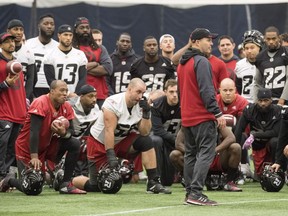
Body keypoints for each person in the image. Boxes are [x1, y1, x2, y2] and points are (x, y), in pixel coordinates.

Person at [72, 78, 171, 194]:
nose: (140, 96)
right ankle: (71, 180)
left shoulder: (141, 104)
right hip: (100, 144)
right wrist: (111, 156)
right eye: (138, 92)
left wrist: (146, 113)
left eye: (143, 93)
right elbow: (109, 131)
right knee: (97, 185)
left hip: (122, 141)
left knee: (146, 141)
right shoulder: (113, 102)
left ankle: (153, 182)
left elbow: (144, 132)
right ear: (129, 89)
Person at [0, 80, 86, 195]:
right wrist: (34, 156)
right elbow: (34, 131)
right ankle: (9, 180)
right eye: (61, 90)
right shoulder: (40, 103)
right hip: (28, 148)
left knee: (74, 143)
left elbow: (71, 132)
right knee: (32, 187)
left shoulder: (66, 106)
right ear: (52, 91)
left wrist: (63, 133)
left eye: (66, 90)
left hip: (48, 146)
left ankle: (65, 184)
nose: (65, 93)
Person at [177, 28, 226, 206]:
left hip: (187, 117)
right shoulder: (201, 62)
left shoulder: (183, 63)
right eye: (208, 40)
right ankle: (196, 193)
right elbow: (207, 91)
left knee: (190, 155)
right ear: (196, 42)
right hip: (202, 116)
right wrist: (217, 112)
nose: (211, 43)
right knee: (206, 153)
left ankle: (190, 193)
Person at [170, 124, 242, 192]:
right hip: (196, 157)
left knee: (235, 147)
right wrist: (192, 153)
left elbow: (231, 137)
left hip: (215, 156)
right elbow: (178, 143)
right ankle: (191, 180)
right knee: (175, 155)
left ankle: (229, 181)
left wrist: (215, 150)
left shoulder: (215, 120)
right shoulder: (189, 121)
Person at [234, 88, 282, 179]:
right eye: (260, 101)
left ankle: (279, 170)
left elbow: (276, 132)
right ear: (257, 100)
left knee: (275, 141)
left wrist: (255, 134)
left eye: (266, 100)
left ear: (271, 100)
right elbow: (239, 129)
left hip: (273, 146)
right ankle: (238, 168)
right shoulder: (250, 110)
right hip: (258, 146)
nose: (263, 103)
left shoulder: (277, 110)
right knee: (259, 177)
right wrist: (234, 148)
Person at [0, 32, 27, 181]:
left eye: (12, 40)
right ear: (1, 45)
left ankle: (6, 178)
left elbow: (20, 89)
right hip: (3, 112)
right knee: (2, 144)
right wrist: (5, 84)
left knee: (13, 147)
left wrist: (24, 109)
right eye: (7, 41)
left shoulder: (17, 63)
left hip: (18, 111)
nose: (11, 43)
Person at [216, 78, 252, 183]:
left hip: (237, 136)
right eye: (225, 90)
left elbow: (242, 127)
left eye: (230, 90)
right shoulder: (214, 101)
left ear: (235, 90)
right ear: (220, 90)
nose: (228, 93)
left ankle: (240, 167)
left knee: (242, 135)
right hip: (217, 136)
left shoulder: (242, 102)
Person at [73, 17, 113, 108]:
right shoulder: (72, 48)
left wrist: (82, 68)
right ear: (75, 30)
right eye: (82, 28)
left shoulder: (99, 48)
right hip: (78, 95)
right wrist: (95, 63)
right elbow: (73, 68)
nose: (85, 30)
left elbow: (108, 69)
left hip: (99, 95)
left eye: (87, 27)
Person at [150, 79, 181, 186]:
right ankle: (155, 177)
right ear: (165, 92)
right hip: (164, 139)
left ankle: (188, 175)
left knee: (168, 181)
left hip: (180, 139)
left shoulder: (185, 103)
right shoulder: (157, 105)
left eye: (177, 92)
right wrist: (176, 140)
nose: (175, 95)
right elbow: (157, 130)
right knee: (155, 140)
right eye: (171, 92)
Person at [44, 24, 87, 98]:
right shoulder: (49, 55)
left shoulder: (80, 54)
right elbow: (51, 80)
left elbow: (82, 78)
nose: (68, 38)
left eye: (70, 35)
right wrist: (67, 94)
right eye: (65, 35)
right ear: (59, 35)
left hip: (75, 95)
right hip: (57, 96)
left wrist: (75, 94)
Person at [69, 84, 100, 177]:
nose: (94, 99)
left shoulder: (95, 107)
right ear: (81, 97)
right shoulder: (69, 106)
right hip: (63, 138)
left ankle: (85, 172)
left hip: (79, 139)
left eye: (95, 96)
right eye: (90, 96)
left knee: (90, 143)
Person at [26, 13, 58, 98]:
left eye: (52, 24)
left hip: (52, 87)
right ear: (39, 26)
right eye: (46, 23)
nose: (49, 26)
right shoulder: (28, 44)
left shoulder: (58, 46)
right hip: (32, 87)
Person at [254, 26, 288, 106]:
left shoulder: (286, 53)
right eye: (268, 39)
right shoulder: (260, 57)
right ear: (264, 39)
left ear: (279, 38)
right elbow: (257, 82)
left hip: (284, 100)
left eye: (274, 38)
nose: (271, 41)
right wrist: (256, 101)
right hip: (267, 101)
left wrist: (283, 99)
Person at [7, 19, 35, 101]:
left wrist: (25, 96)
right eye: (15, 29)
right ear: (8, 31)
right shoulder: (2, 51)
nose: (19, 32)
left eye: (21, 29)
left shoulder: (29, 52)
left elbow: (31, 78)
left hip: (22, 92)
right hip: (5, 90)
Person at [235, 29, 264, 103]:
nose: (249, 51)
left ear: (259, 48)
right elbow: (238, 86)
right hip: (245, 104)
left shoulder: (266, 63)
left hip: (263, 104)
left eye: (252, 47)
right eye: (246, 48)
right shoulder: (240, 65)